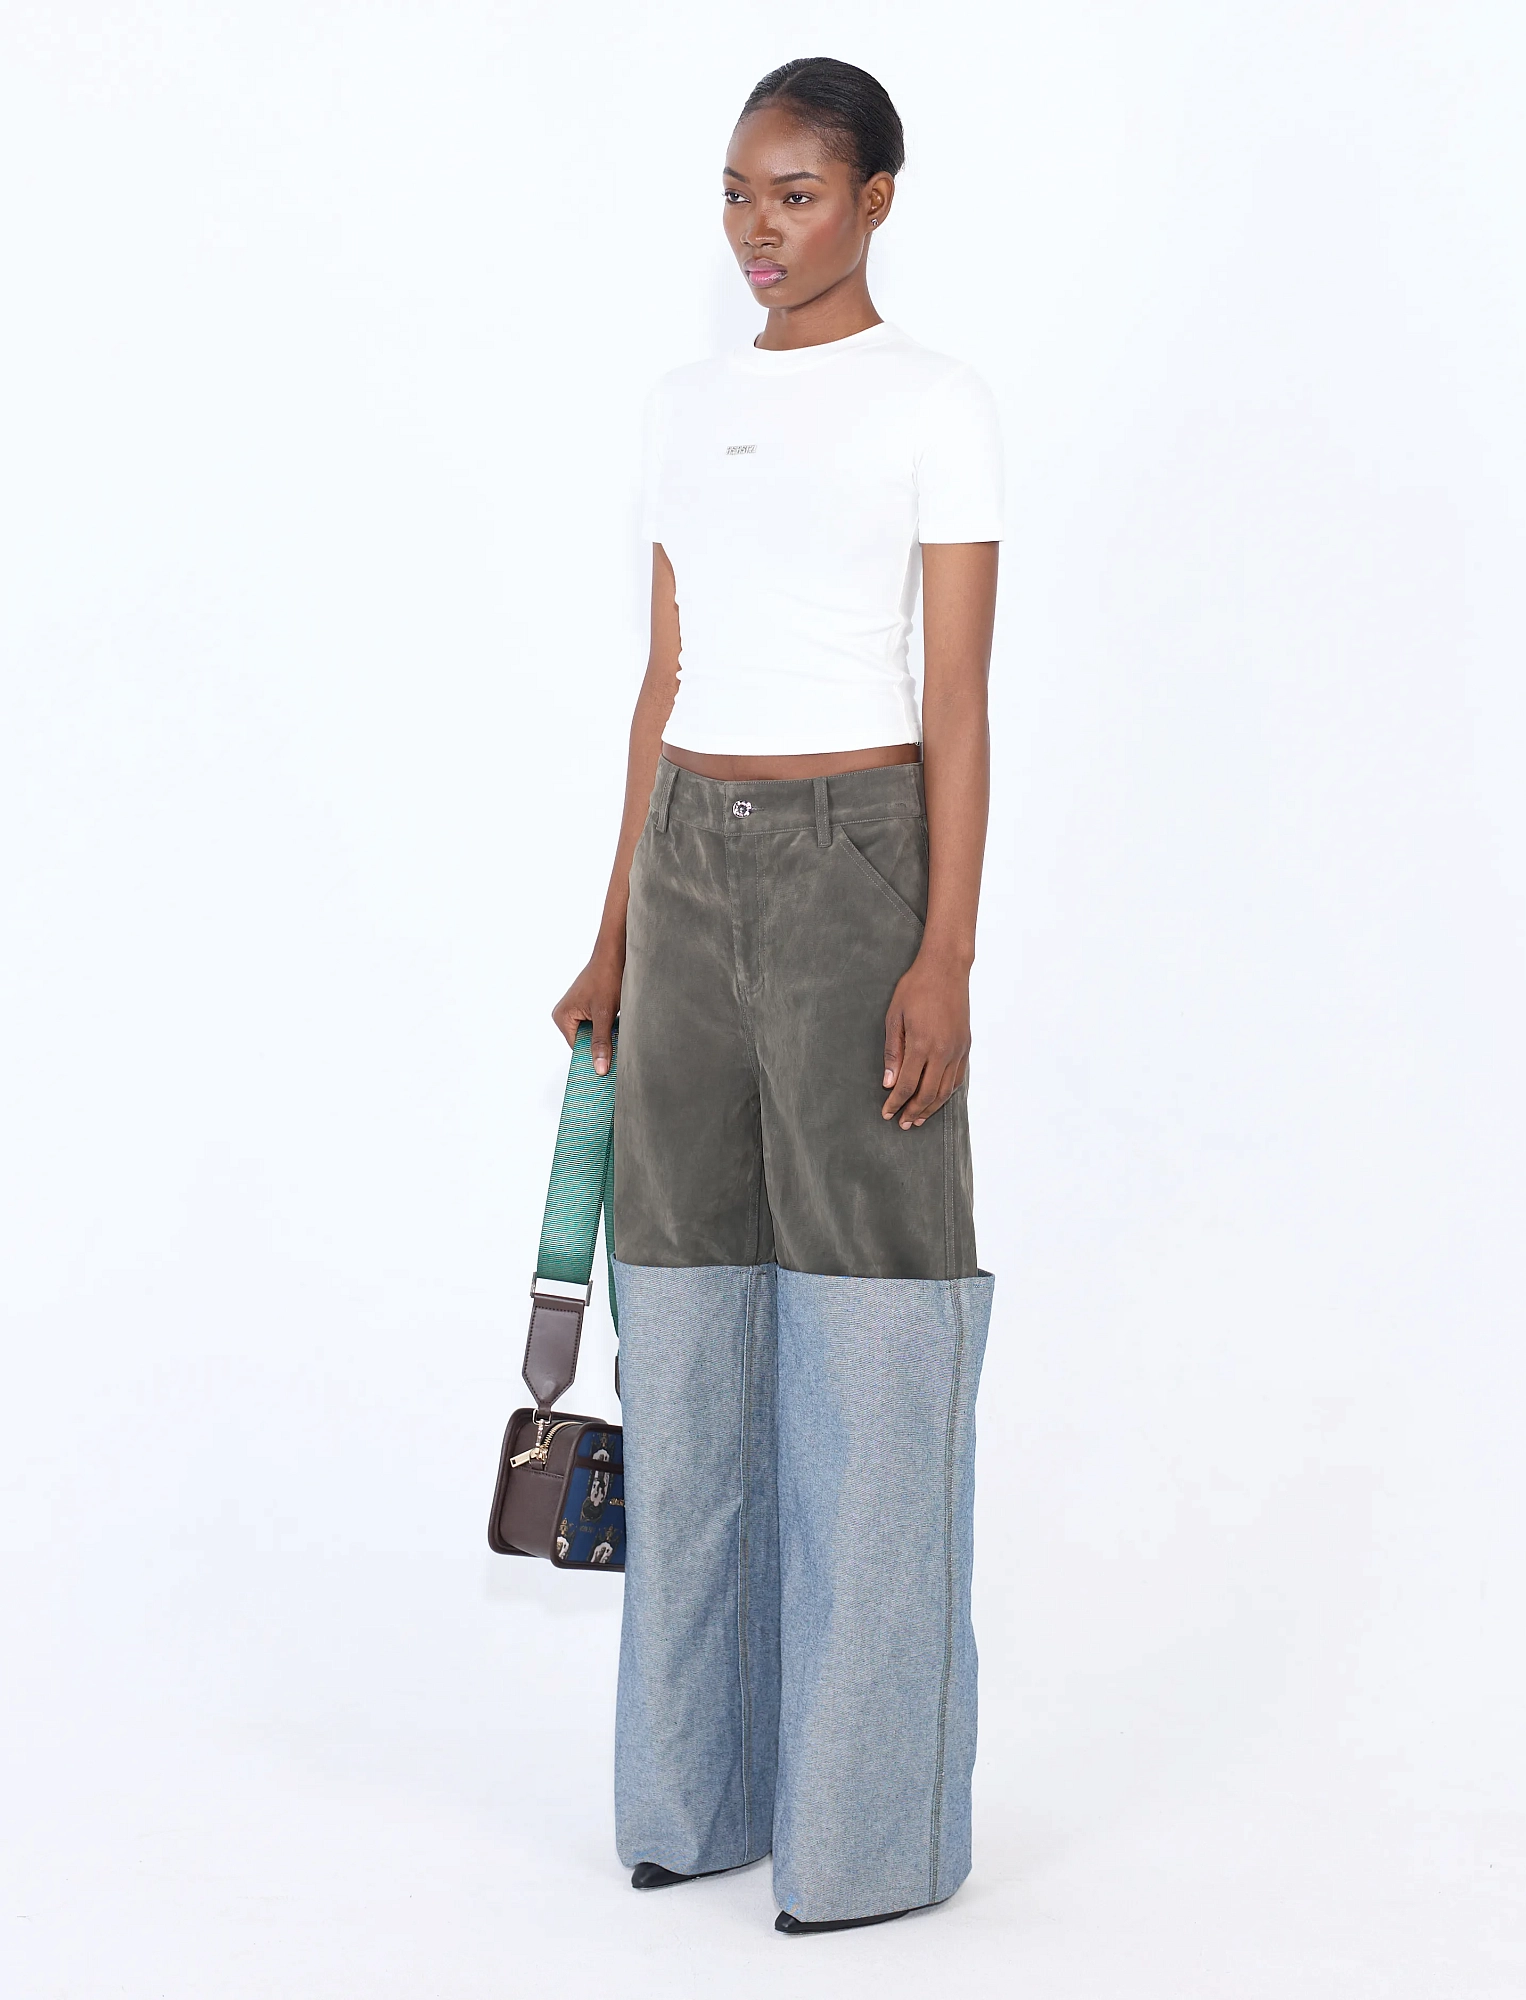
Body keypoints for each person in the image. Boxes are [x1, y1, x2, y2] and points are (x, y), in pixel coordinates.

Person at [551, 55, 1001, 1936]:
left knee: (874, 1341)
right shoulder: (683, 404)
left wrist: (944, 952)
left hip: (854, 864)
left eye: (798, 194)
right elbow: (662, 681)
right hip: (689, 857)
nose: (760, 227)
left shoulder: (935, 403)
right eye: (738, 193)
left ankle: (866, 1840)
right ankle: (695, 1797)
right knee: (686, 1327)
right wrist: (613, 932)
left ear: (877, 198)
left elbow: (958, 701)